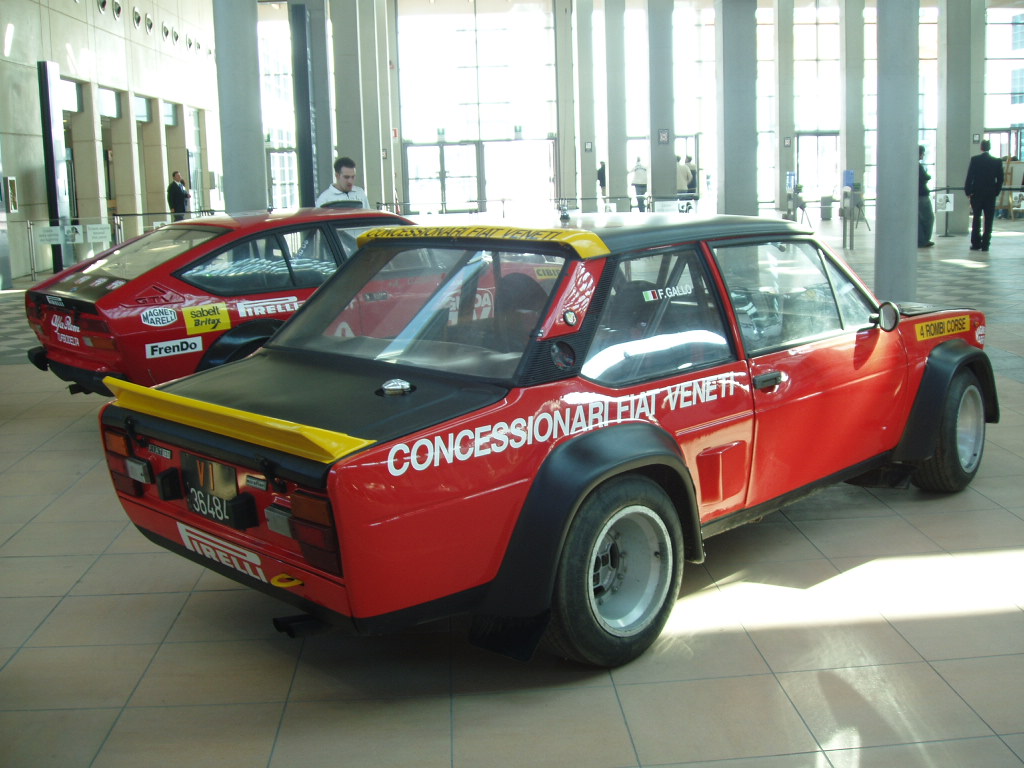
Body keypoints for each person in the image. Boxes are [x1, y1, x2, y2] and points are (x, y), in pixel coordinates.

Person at [964, 139, 1003, 252]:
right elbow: (1000, 179)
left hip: (977, 193)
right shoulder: (997, 161)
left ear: (981, 147)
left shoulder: (975, 160)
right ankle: (986, 244)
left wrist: (968, 191)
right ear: (989, 147)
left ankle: (976, 243)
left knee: (976, 218)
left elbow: (970, 177)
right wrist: (996, 191)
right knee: (989, 219)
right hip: (990, 194)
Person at [918, 145, 934, 248]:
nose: (923, 155)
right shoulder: (918, 166)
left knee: (919, 219)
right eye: (922, 153)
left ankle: (921, 240)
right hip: (922, 195)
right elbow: (924, 177)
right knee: (928, 218)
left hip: (917, 195)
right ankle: (923, 240)